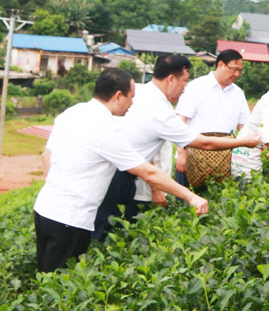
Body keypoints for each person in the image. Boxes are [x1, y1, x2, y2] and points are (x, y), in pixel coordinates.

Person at [33, 68, 208, 272]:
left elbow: (46, 156)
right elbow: (148, 172)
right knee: (59, 286)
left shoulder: (72, 112)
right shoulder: (105, 128)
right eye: (131, 98)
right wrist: (191, 197)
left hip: (45, 208)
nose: (132, 104)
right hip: (70, 220)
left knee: (45, 277)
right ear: (118, 96)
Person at [92, 55, 262, 241]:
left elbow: (134, 141)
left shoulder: (137, 92)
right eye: (184, 81)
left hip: (112, 172)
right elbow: (204, 143)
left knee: (108, 231)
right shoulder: (161, 112)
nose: (185, 88)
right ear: (171, 79)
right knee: (109, 233)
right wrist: (244, 142)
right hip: (119, 177)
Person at [174, 49, 250, 187]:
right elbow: (181, 122)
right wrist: (181, 152)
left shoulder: (238, 94)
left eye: (240, 71)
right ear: (220, 64)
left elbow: (244, 127)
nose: (237, 74)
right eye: (234, 69)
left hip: (223, 162)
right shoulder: (196, 87)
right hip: (192, 157)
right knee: (184, 203)